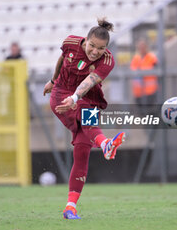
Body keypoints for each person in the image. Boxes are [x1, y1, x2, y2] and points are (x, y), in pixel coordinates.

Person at [43, 18, 125, 220]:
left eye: (101, 48)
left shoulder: (108, 61)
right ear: (85, 40)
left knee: (82, 153)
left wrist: (75, 97)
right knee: (84, 115)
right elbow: (62, 59)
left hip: (86, 98)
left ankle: (70, 207)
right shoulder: (70, 42)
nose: (95, 51)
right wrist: (53, 81)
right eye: (92, 46)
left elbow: (90, 81)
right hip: (61, 95)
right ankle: (105, 144)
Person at [130, 38, 158, 108]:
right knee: (141, 113)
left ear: (146, 47)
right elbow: (132, 71)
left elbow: (157, 69)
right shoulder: (136, 58)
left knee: (151, 112)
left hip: (150, 91)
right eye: (140, 47)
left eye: (143, 47)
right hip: (138, 92)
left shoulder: (152, 57)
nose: (142, 48)